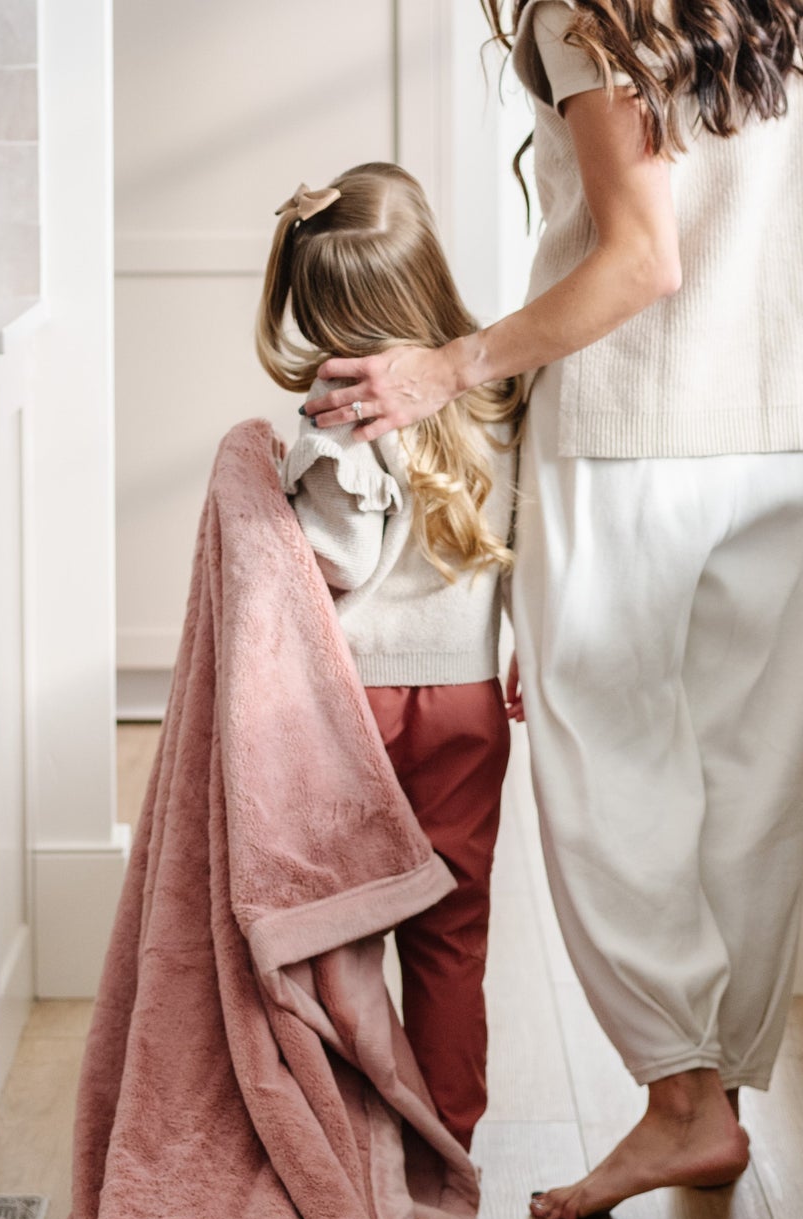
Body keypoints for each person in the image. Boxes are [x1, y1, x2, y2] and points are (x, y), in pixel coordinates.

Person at [303, 1, 803, 1219]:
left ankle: (680, 1101)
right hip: (799, 420)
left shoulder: (599, 12)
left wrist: (447, 366)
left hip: (636, 429)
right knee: (750, 766)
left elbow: (638, 260)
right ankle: (712, 1094)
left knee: (604, 754)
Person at [258, 162, 525, 1152]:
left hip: (352, 710)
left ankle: (345, 1139)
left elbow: (336, 558)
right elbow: (530, 537)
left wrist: (278, 494)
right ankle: (445, 1150)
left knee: (340, 933)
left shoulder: (340, 410)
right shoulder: (496, 389)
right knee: (451, 935)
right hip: (465, 702)